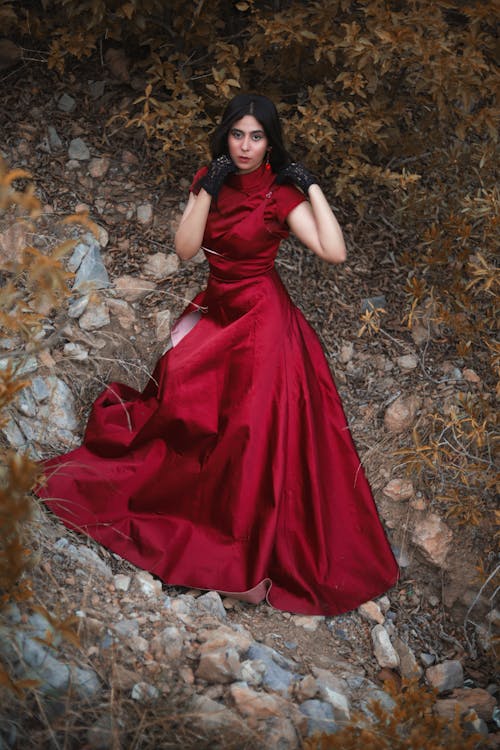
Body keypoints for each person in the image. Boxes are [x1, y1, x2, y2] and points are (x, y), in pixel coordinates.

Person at [38, 93, 398, 615]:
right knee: (182, 400)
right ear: (226, 135)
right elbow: (186, 250)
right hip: (218, 307)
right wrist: (205, 189)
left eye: (257, 136)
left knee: (249, 430)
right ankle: (192, 512)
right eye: (238, 134)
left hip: (263, 321)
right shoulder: (211, 178)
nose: (246, 146)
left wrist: (310, 184)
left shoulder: (279, 195)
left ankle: (241, 556)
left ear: (270, 141)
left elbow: (334, 251)